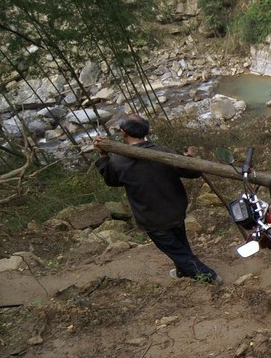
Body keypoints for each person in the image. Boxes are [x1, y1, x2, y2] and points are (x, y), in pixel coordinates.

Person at [94, 114, 221, 284]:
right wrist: (189, 159)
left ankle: (210, 278)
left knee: (179, 252)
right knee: (180, 246)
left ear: (124, 133)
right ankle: (182, 272)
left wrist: (103, 156)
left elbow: (111, 180)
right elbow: (193, 172)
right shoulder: (164, 152)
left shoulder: (118, 162)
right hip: (176, 211)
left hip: (152, 218)